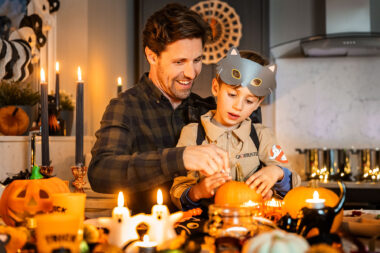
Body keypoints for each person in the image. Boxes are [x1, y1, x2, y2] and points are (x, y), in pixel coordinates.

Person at [87, 3, 231, 213]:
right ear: (152, 56)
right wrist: (180, 157)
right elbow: (101, 172)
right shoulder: (125, 107)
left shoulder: (207, 109)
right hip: (150, 238)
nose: (191, 73)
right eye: (180, 62)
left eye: (197, 60)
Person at [170, 47, 301, 211]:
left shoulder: (261, 136)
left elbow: (294, 183)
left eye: (249, 101)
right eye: (232, 95)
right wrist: (197, 192)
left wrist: (277, 172)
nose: (238, 106)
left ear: (257, 104)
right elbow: (176, 191)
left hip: (254, 223)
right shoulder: (192, 134)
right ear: (216, 88)